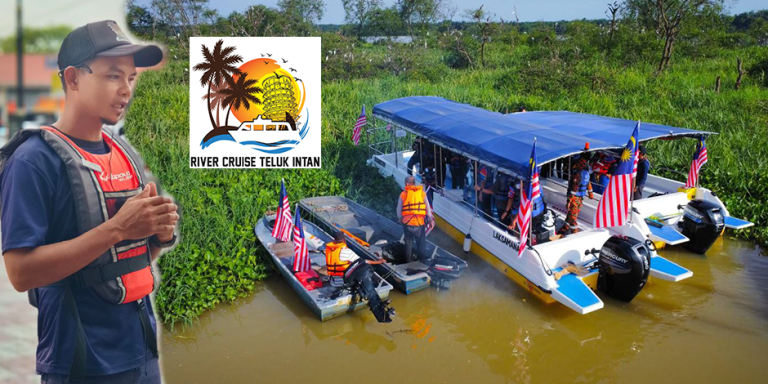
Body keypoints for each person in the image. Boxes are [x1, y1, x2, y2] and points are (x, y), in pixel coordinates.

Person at [0, 21, 171, 384]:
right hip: (81, 362)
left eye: (131, 78)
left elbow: (122, 258)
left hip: (140, 350)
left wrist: (155, 235)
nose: (125, 90)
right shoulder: (33, 161)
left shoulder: (123, 153)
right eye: (113, 76)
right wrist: (119, 228)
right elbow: (19, 273)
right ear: (74, 79)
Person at [325, 231, 395, 323]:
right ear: (344, 240)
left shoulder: (329, 250)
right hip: (343, 282)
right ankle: (379, 312)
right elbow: (363, 262)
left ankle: (377, 305)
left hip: (333, 281)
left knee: (359, 274)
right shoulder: (346, 252)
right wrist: (379, 262)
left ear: (334, 240)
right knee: (366, 274)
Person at [397, 176, 434, 262]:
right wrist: (431, 220)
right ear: (414, 183)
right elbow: (428, 209)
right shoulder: (422, 193)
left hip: (407, 224)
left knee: (408, 244)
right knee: (421, 245)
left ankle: (407, 262)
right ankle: (422, 262)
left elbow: (399, 210)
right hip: (419, 225)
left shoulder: (403, 194)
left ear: (407, 184)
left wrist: (400, 220)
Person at [558, 152, 594, 235]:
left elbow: (574, 188)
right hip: (580, 199)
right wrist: (590, 193)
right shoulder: (586, 174)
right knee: (571, 214)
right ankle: (565, 227)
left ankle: (575, 233)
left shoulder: (577, 175)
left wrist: (569, 201)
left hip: (574, 199)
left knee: (573, 218)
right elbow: (588, 183)